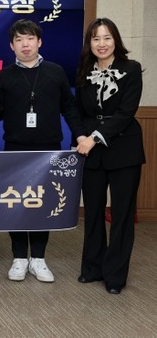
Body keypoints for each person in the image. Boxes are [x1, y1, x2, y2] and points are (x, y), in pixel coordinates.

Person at [0, 19, 85, 283]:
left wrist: (80, 135)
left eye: (30, 38)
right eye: (19, 39)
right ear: (11, 46)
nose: (25, 44)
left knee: (43, 202)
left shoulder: (55, 71)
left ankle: (38, 258)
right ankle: (19, 257)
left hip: (48, 148)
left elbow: (69, 107)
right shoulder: (4, 75)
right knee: (16, 202)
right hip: (15, 149)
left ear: (39, 42)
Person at [75, 18, 145, 295]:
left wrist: (93, 138)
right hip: (91, 152)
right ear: (89, 43)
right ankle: (92, 268)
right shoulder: (83, 71)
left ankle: (115, 275)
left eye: (106, 38)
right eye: (96, 39)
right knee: (92, 211)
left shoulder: (131, 69)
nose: (101, 44)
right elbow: (78, 112)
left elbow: (126, 112)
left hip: (124, 149)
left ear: (115, 40)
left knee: (121, 214)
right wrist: (80, 136)